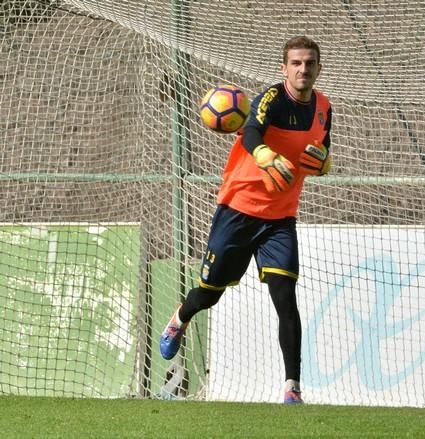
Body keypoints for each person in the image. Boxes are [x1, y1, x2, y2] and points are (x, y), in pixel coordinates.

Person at [159, 36, 332, 405]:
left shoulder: (324, 108)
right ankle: (179, 317)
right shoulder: (271, 98)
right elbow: (252, 131)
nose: (303, 69)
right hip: (238, 211)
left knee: (285, 299)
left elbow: (322, 150)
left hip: (280, 220)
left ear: (319, 67)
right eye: (296, 63)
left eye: (310, 63)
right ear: (284, 68)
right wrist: (265, 154)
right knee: (208, 295)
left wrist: (325, 163)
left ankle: (292, 389)